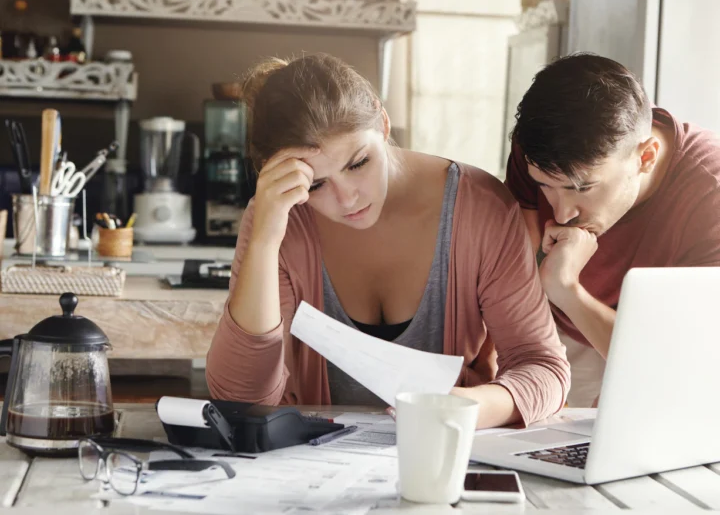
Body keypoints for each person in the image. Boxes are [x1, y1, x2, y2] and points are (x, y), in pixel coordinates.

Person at [206, 54, 569, 428]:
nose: (348, 198)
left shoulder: (481, 208)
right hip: (314, 469)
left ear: (382, 123)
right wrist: (265, 239)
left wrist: (465, 408)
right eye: (315, 184)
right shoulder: (279, 217)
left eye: (358, 163)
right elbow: (239, 400)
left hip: (445, 458)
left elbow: (544, 368)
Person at [506, 53, 720, 405]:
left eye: (582, 188)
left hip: (660, 347)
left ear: (646, 156)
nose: (562, 213)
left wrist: (566, 288)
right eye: (545, 185)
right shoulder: (542, 148)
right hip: (552, 322)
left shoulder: (708, 196)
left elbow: (673, 363)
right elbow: (515, 258)